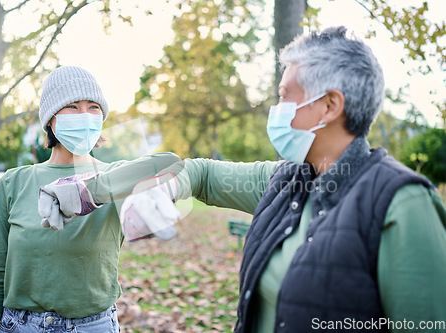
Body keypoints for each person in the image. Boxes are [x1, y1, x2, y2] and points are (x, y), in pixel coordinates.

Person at [118, 26, 446, 332]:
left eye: (285, 96)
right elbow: (202, 174)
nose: (277, 110)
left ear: (330, 105)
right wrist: (164, 187)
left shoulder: (403, 204)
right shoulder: (285, 181)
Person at [0, 66, 181, 333]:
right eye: (72, 106)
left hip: (94, 326)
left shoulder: (117, 177)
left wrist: (154, 202)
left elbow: (171, 166)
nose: (84, 115)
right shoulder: (14, 182)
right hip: (20, 326)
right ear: (50, 119)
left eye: (93, 107)